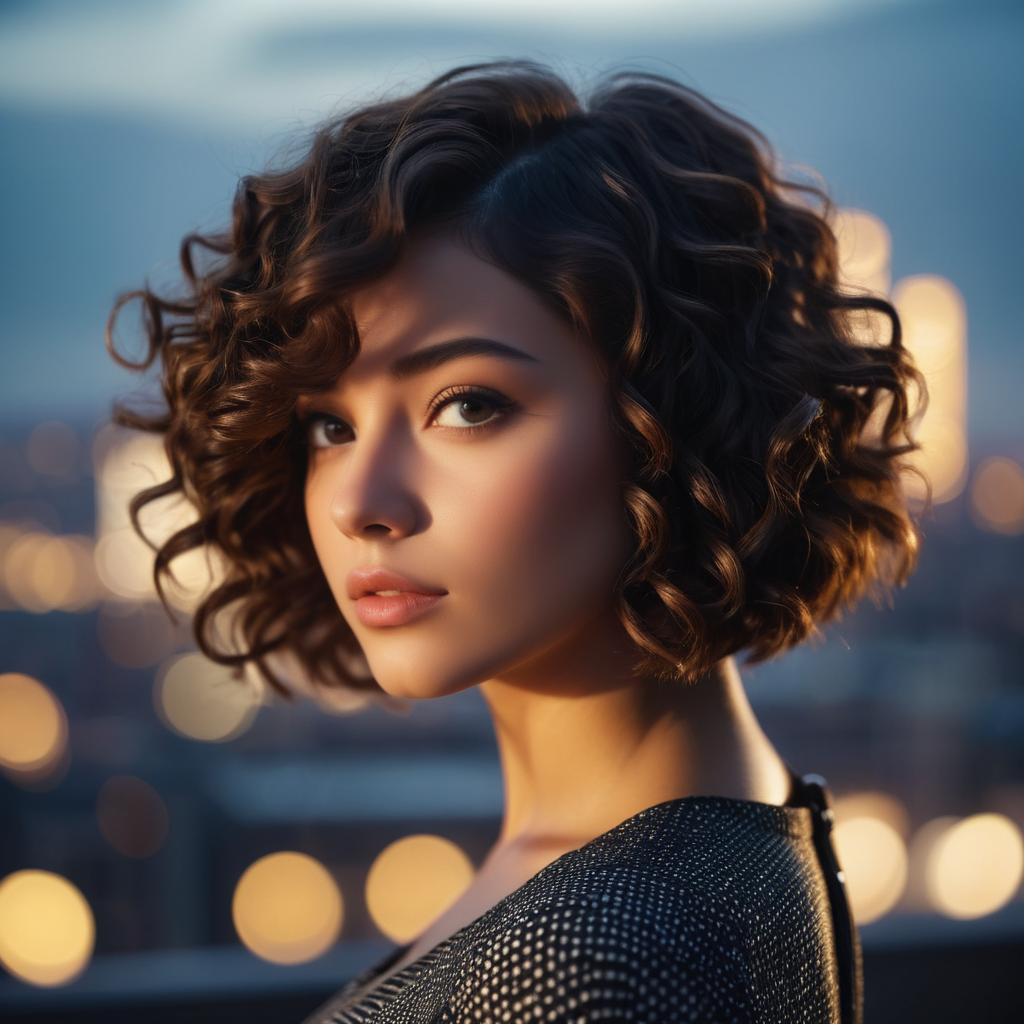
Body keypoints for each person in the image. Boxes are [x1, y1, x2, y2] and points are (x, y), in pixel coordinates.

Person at [105, 57, 928, 1023]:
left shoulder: (595, 960)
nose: (361, 501)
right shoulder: (709, 850)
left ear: (672, 415)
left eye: (467, 404)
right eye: (330, 425)